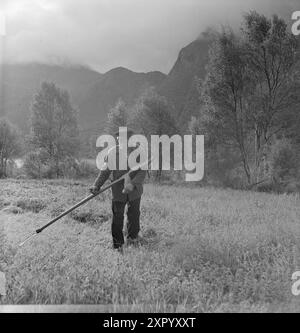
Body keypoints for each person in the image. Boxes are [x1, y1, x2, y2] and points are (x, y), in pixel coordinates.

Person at [90, 128, 146, 252]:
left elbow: (142, 171)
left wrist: (133, 184)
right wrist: (96, 185)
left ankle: (132, 238)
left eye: (125, 139)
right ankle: (118, 245)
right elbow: (104, 172)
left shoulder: (139, 152)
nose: (122, 141)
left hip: (134, 191)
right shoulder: (112, 153)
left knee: (134, 215)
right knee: (117, 217)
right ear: (117, 139)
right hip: (117, 191)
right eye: (120, 139)